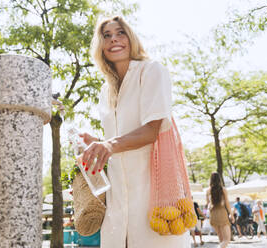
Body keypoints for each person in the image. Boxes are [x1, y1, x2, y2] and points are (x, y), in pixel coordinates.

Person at [79, 16, 190, 248]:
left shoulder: (151, 71)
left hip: (155, 199)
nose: (113, 40)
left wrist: (108, 145)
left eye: (120, 33)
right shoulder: (105, 91)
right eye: (106, 36)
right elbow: (121, 139)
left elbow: (151, 131)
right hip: (117, 204)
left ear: (131, 37)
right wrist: (97, 142)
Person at [206, 172, 233, 248]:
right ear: (219, 179)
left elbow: (208, 204)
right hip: (222, 213)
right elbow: (227, 203)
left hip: (213, 215)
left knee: (221, 240)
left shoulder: (208, 191)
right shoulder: (223, 189)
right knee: (227, 239)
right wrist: (231, 214)